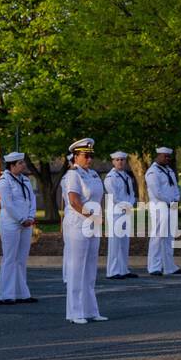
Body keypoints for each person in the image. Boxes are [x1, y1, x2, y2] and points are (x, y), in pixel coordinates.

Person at [61, 139, 107, 324]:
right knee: (76, 268)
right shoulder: (73, 175)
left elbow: (99, 197)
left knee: (90, 270)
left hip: (92, 223)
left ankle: (90, 310)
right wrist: (91, 216)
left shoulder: (94, 174)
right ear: (75, 156)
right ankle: (75, 312)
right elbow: (74, 201)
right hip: (78, 224)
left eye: (91, 156)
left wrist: (100, 215)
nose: (89, 159)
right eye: (86, 156)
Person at [0, 152, 37, 305]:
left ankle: (22, 293)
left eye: (23, 162)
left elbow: (31, 199)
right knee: (9, 258)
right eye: (20, 163)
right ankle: (6, 294)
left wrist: (31, 217)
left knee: (21, 259)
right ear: (12, 165)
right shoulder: (4, 181)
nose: (23, 165)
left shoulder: (25, 180)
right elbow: (8, 203)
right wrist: (21, 218)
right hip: (11, 223)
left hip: (26, 222)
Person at [144, 147, 181, 276]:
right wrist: (171, 200)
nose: (167, 159)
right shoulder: (152, 172)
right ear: (158, 156)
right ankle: (154, 266)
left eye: (168, 157)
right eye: (164, 156)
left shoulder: (169, 171)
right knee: (157, 236)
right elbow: (157, 192)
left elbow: (175, 187)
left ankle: (169, 266)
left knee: (169, 237)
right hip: (159, 206)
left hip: (171, 206)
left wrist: (176, 198)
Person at [103, 151, 138, 279]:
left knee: (124, 242)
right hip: (116, 213)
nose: (120, 162)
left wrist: (130, 204)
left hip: (126, 211)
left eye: (122, 160)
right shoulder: (110, 177)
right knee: (115, 243)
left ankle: (123, 269)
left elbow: (132, 194)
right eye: (117, 160)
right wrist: (126, 205)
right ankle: (112, 271)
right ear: (113, 161)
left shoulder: (127, 176)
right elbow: (114, 196)